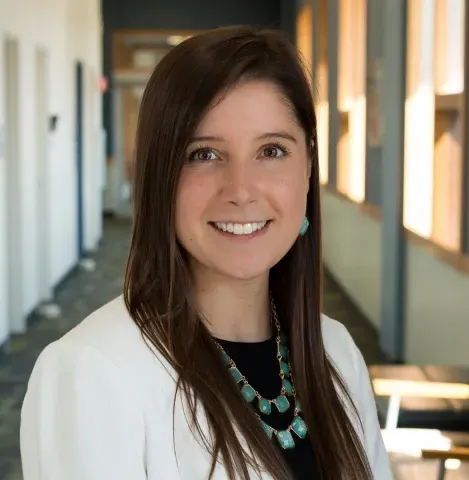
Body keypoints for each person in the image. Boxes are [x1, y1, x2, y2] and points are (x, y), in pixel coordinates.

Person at [20, 26, 392, 480]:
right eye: (204, 155)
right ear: (161, 175)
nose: (240, 190)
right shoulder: (91, 374)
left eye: (271, 150)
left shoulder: (336, 352)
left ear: (308, 167)